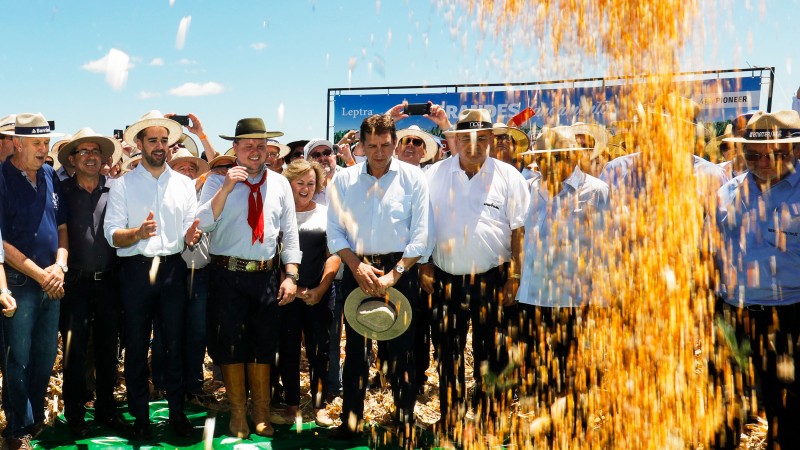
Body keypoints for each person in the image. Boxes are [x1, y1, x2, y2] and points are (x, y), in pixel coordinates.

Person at [421, 109, 529, 438]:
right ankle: (451, 417)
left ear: (491, 140)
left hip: (493, 277)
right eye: (466, 138)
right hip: (445, 278)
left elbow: (518, 232)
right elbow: (424, 225)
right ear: (457, 140)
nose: (474, 145)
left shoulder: (509, 177)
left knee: (493, 352)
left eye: (481, 138)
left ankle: (490, 417)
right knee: (448, 352)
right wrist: (425, 264)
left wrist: (514, 276)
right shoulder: (434, 174)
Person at [327, 114, 430, 443]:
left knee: (402, 351)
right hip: (356, 269)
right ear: (361, 144)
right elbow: (335, 231)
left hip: (401, 271)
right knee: (355, 352)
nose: (379, 152)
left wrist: (395, 274)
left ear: (395, 142)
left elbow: (422, 235)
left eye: (386, 145)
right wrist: (356, 266)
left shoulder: (414, 179)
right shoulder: (343, 180)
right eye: (371, 146)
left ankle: (404, 420)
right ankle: (351, 422)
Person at [197, 117, 300, 439]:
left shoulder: (280, 183)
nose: (255, 152)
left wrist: (292, 275)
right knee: (230, 345)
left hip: (267, 276)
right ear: (236, 149)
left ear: (270, 150)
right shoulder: (217, 182)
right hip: (227, 274)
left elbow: (291, 233)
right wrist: (227, 187)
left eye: (261, 146)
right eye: (248, 146)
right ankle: (238, 414)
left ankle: (261, 413)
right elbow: (202, 223)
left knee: (264, 346)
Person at [103, 110, 201, 439]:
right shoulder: (122, 185)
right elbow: (112, 235)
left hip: (172, 268)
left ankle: (176, 413)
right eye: (152, 140)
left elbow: (191, 228)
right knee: (134, 345)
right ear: (140, 144)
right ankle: (140, 416)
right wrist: (137, 233)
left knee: (174, 343)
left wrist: (192, 236)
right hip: (135, 271)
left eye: (163, 140)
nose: (159, 146)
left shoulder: (185, 184)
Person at [715, 110, 800, 449]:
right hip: (732, 317)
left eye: (775, 154)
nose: (764, 162)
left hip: (788, 320)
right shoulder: (726, 194)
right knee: (724, 409)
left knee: (788, 416)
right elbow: (711, 252)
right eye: (754, 154)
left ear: (793, 150)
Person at [515, 125, 609, 431]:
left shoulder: (596, 191)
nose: (550, 164)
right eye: (544, 158)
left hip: (575, 300)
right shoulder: (528, 188)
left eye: (557, 157)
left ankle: (574, 432)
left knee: (573, 375)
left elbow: (608, 248)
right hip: (533, 297)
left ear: (573, 156)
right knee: (539, 372)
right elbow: (518, 236)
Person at [0, 113, 68, 449]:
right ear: (17, 143)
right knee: (18, 359)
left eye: (47, 143)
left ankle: (36, 417)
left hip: (52, 283)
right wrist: (42, 275)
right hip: (20, 284)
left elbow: (62, 227)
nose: (44, 149)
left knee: (43, 356)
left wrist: (60, 265)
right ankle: (17, 430)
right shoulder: (1, 178)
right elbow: (0, 243)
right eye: (37, 143)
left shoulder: (49, 176)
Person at [56, 128, 127, 437]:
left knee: (107, 350)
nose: (90, 156)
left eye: (95, 151)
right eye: (83, 152)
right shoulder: (59, 192)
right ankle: (74, 414)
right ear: (72, 159)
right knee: (73, 351)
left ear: (104, 158)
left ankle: (106, 409)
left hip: (111, 283)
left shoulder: (118, 190)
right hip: (74, 284)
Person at [276, 159, 340, 427]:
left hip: (320, 293)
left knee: (320, 350)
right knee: (288, 349)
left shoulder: (327, 213)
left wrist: (319, 289)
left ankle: (319, 405)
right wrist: (292, 286)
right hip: (286, 294)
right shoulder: (278, 214)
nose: (305, 188)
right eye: (299, 182)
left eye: (311, 183)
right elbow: (272, 256)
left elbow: (335, 255)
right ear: (288, 183)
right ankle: (291, 405)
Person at [150, 148, 213, 406]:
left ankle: (193, 384)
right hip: (171, 272)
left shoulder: (206, 196)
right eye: (181, 168)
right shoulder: (162, 195)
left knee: (197, 332)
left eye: (191, 168)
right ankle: (162, 382)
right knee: (166, 330)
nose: (187, 172)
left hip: (199, 274)